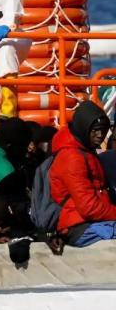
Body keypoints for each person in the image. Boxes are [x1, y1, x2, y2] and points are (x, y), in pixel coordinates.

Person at [50, 102, 116, 246]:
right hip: (80, 226)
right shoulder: (72, 157)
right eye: (95, 130)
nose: (100, 135)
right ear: (84, 128)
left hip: (92, 222)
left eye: (103, 130)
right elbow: (89, 207)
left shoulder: (85, 149)